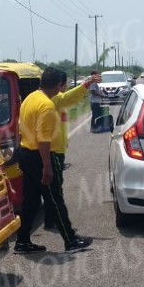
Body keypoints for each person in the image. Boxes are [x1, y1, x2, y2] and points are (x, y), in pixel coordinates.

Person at [14, 67, 92, 254]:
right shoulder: (47, 106)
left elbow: (21, 129)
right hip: (41, 156)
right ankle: (71, 240)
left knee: (31, 202)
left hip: (25, 153)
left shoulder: (30, 98)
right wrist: (47, 167)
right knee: (55, 199)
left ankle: (22, 241)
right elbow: (43, 140)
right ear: (58, 85)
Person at [43, 71, 102, 231]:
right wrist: (86, 84)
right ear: (58, 85)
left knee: (54, 187)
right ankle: (53, 221)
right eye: (65, 85)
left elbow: (71, 99)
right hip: (53, 151)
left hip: (58, 150)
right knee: (55, 189)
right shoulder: (54, 100)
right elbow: (70, 97)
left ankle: (51, 218)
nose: (66, 87)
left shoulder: (56, 101)